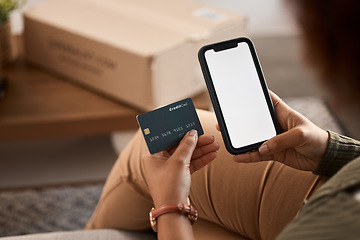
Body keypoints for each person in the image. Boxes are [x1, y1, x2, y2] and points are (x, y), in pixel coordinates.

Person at [86, 0, 360, 239]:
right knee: (198, 215)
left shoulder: (334, 223)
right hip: (345, 176)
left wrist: (171, 207)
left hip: (331, 211)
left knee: (147, 153)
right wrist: (331, 149)